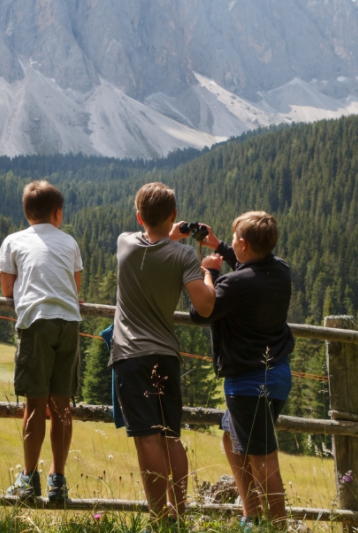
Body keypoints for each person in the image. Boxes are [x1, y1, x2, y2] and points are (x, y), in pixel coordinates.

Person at [110, 182, 215, 521]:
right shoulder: (183, 256)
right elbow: (205, 305)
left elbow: (153, 243)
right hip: (166, 353)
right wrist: (209, 272)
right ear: (173, 214)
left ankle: (160, 518)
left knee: (147, 438)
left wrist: (170, 232)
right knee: (171, 435)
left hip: (130, 355)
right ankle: (179, 513)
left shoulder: (124, 243)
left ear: (139, 216)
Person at [190, 211, 294, 527]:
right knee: (230, 438)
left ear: (244, 244)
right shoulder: (280, 271)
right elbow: (249, 271)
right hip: (277, 375)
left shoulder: (233, 284)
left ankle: (277, 526)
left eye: (235, 240)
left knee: (265, 461)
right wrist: (219, 245)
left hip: (248, 383)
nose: (232, 244)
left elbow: (201, 312)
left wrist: (207, 272)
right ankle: (251, 515)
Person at [0, 180, 83, 502]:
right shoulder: (69, 242)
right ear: (57, 214)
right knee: (62, 406)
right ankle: (57, 481)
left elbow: (7, 290)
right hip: (69, 322)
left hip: (35, 323)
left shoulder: (13, 241)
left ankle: (28, 479)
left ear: (26, 212)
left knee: (34, 405)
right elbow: (75, 289)